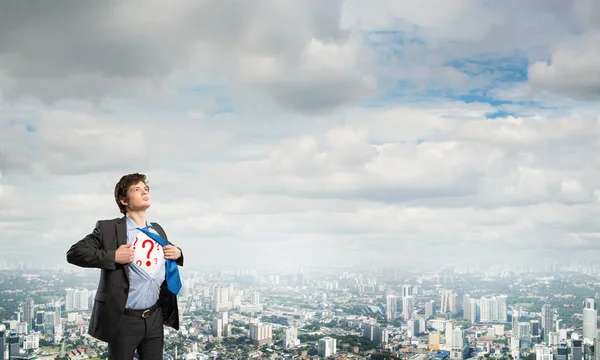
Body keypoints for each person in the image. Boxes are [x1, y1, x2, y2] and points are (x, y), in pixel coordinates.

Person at [66, 173, 184, 360]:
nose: (144, 191)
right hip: (124, 320)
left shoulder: (157, 229)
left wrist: (178, 253)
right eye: (136, 189)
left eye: (145, 188)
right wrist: (114, 256)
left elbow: (169, 251)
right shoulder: (108, 229)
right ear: (124, 200)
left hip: (154, 317)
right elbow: (75, 253)